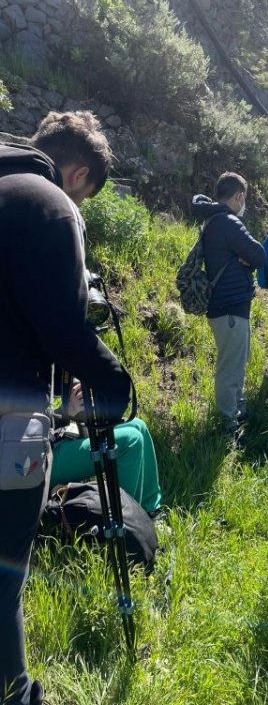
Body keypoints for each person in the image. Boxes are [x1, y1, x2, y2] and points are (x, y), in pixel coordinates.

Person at [0, 111, 131, 705]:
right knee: (4, 577)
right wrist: (113, 382)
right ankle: (16, 694)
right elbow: (64, 329)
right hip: (10, 418)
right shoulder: (50, 205)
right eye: (86, 196)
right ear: (77, 175)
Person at [192, 172, 265, 436]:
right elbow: (259, 255)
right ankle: (228, 425)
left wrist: (242, 259)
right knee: (230, 368)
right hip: (230, 307)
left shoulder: (213, 220)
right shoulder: (228, 222)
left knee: (236, 363)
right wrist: (245, 260)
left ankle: (237, 411)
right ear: (239, 196)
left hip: (226, 306)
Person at [51, 382, 161, 516]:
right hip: (43, 459)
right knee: (130, 440)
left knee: (138, 425)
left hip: (61, 436)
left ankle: (150, 509)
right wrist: (65, 412)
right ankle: (127, 518)